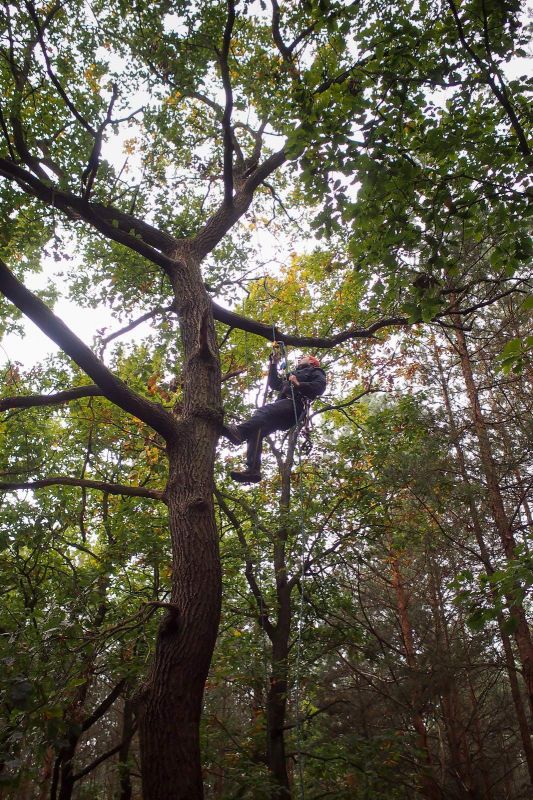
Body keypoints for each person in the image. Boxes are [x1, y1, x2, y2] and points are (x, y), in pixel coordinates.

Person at [221, 352, 326, 483]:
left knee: (264, 411)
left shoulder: (315, 371)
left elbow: (320, 386)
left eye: (303, 357)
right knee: (256, 430)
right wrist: (273, 364)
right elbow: (274, 383)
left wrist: (299, 384)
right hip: (283, 410)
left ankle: (239, 432)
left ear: (312, 362)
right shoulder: (291, 375)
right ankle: (253, 471)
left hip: (294, 405)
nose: (300, 358)